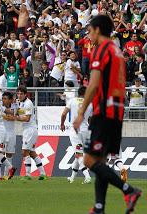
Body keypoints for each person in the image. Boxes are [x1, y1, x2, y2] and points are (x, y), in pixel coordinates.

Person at [73, 15, 142, 214]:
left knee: (89, 160)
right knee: (100, 160)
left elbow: (94, 83)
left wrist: (80, 112)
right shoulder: (117, 51)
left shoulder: (101, 49)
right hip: (116, 111)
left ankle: (129, 190)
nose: (88, 35)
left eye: (90, 31)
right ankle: (99, 207)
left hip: (103, 111)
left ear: (97, 30)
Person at [60, 86, 91, 184]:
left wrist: (62, 124)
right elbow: (91, 118)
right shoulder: (90, 103)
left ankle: (87, 176)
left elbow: (64, 114)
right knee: (79, 154)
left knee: (78, 154)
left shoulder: (72, 101)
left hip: (75, 130)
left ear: (78, 93)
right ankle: (72, 178)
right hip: (86, 130)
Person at [16, 85, 47, 181]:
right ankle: (43, 173)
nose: (19, 95)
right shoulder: (19, 103)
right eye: (18, 93)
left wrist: (16, 118)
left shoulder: (28, 103)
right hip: (27, 130)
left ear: (25, 94)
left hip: (30, 130)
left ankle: (28, 174)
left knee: (24, 152)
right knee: (32, 153)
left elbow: (27, 118)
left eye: (21, 94)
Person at [2, 91, 18, 179]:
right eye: (3, 99)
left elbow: (13, 118)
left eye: (5, 99)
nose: (3, 100)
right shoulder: (0, 107)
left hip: (11, 133)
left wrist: (5, 116)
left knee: (9, 155)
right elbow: (11, 117)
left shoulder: (15, 106)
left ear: (10, 100)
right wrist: (9, 116)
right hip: (2, 133)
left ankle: (6, 175)